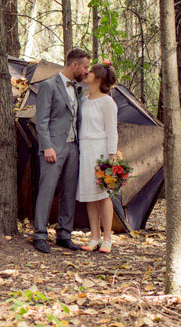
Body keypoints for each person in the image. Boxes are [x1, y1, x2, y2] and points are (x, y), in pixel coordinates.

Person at [33, 48, 91, 254]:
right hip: (53, 148)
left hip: (74, 147)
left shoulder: (78, 88)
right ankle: (39, 235)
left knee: (69, 193)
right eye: (85, 67)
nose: (86, 71)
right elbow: (41, 121)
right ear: (74, 65)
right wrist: (47, 145)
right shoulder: (48, 86)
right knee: (47, 191)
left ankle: (64, 235)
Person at [77, 62, 118, 254]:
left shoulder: (107, 102)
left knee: (103, 195)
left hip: (100, 149)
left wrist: (111, 156)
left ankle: (108, 238)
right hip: (85, 149)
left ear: (100, 77)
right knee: (89, 196)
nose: (87, 72)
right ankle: (94, 237)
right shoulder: (83, 99)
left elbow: (112, 131)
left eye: (91, 71)